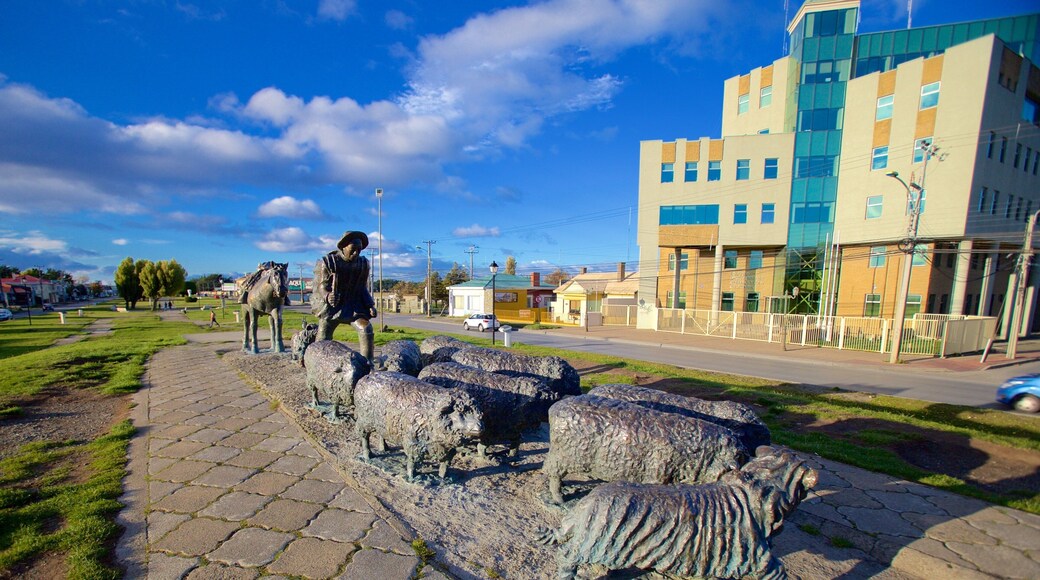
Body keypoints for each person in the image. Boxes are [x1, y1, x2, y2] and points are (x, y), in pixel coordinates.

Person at [311, 231, 377, 362]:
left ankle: (367, 364)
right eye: (353, 249)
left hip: (353, 305)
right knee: (323, 337)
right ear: (343, 247)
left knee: (366, 328)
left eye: (359, 250)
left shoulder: (363, 264)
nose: (356, 253)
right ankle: (317, 362)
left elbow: (362, 287)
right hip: (333, 307)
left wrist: (370, 305)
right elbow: (321, 285)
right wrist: (327, 295)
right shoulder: (329, 262)